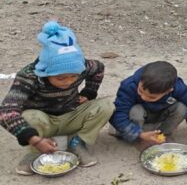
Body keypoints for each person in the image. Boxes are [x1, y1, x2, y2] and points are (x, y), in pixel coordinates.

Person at [1, 21, 113, 175]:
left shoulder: (80, 67)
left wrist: (88, 93)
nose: (68, 82)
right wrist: (34, 140)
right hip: (44, 121)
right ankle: (34, 152)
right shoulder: (29, 76)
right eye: (61, 78)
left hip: (71, 114)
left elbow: (98, 68)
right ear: (45, 71)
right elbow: (6, 112)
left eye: (74, 76)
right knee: (29, 116)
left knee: (107, 106)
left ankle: (77, 142)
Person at [112, 61, 187, 147]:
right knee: (136, 110)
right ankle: (140, 139)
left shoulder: (178, 88)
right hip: (137, 121)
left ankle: (161, 135)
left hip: (160, 117)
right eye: (140, 91)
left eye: (151, 97)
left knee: (182, 108)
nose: (143, 97)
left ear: (169, 91)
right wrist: (138, 134)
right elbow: (119, 113)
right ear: (140, 81)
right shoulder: (129, 86)